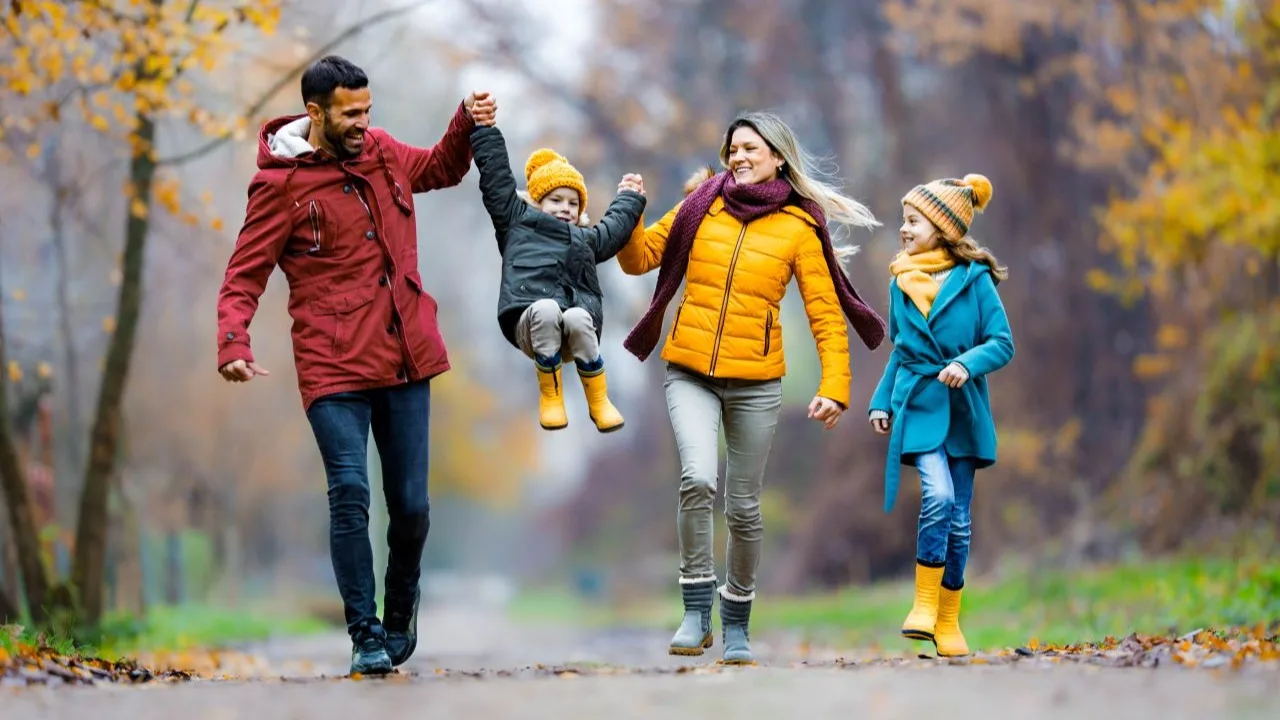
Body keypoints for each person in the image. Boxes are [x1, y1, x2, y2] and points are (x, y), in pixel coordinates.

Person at [214, 55, 496, 676]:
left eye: (368, 110)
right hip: (332, 363)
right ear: (315, 113)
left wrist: (465, 122)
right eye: (350, 113)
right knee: (350, 492)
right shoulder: (279, 185)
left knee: (413, 507)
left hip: (403, 354)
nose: (363, 123)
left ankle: (399, 611)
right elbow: (244, 275)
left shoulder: (384, 151)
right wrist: (234, 342)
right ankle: (364, 632)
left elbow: (443, 168)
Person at [618, 111, 886, 664]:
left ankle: (736, 620)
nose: (738, 157)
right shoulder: (699, 205)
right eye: (733, 148)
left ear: (778, 157)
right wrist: (629, 212)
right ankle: (695, 611)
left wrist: (836, 384)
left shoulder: (799, 226)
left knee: (743, 507)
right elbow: (641, 258)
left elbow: (826, 316)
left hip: (757, 382)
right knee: (696, 478)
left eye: (751, 149)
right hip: (688, 370)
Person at [867, 174, 1014, 658]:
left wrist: (964, 363)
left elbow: (1001, 344)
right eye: (903, 221)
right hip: (920, 405)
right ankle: (923, 607)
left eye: (913, 221)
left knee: (960, 520)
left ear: (943, 228)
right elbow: (900, 352)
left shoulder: (976, 283)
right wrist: (880, 401)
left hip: (965, 410)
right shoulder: (899, 280)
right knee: (940, 496)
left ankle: (948, 620)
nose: (904, 230)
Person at [468, 121, 646, 432]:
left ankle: (599, 400)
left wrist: (629, 198)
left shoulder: (583, 240)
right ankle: (551, 396)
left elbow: (613, 230)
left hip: (572, 332)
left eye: (573, 203)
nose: (566, 209)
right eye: (556, 200)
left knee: (579, 316)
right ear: (537, 201)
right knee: (546, 308)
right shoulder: (517, 224)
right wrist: (485, 129)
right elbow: (496, 180)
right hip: (530, 325)